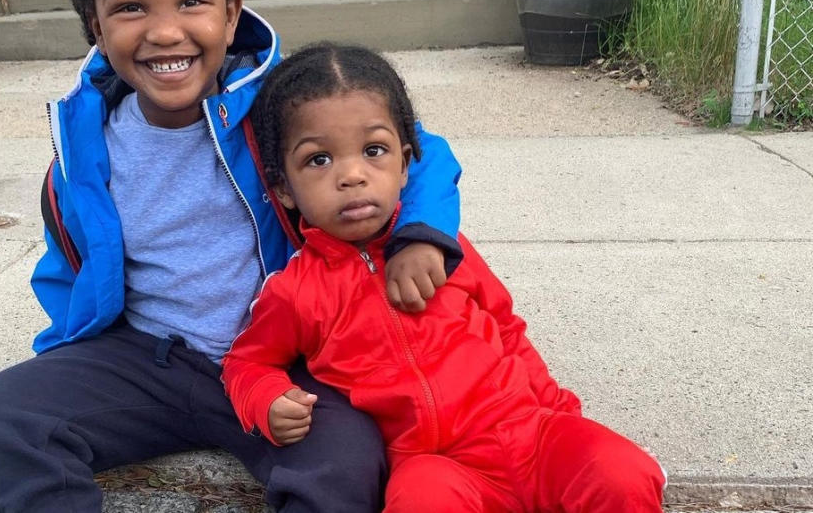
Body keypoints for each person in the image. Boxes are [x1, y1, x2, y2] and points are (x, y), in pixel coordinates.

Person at [0, 0, 465, 513]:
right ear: (95, 24)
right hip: (150, 362)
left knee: (347, 459)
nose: (165, 32)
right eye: (130, 8)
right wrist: (69, 359)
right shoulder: (84, 150)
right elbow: (71, 265)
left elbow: (419, 154)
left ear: (231, 14)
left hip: (284, 362)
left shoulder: (282, 109)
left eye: (192, 1)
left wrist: (419, 236)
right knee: (7, 413)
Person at [223, 43, 667, 513]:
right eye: (318, 160)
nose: (352, 175)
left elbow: (506, 327)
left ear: (405, 166)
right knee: (421, 500)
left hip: (528, 433)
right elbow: (246, 363)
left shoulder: (443, 246)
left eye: (374, 150)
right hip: (434, 464)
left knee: (624, 471)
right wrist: (266, 399)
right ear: (283, 190)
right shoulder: (295, 291)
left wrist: (558, 416)